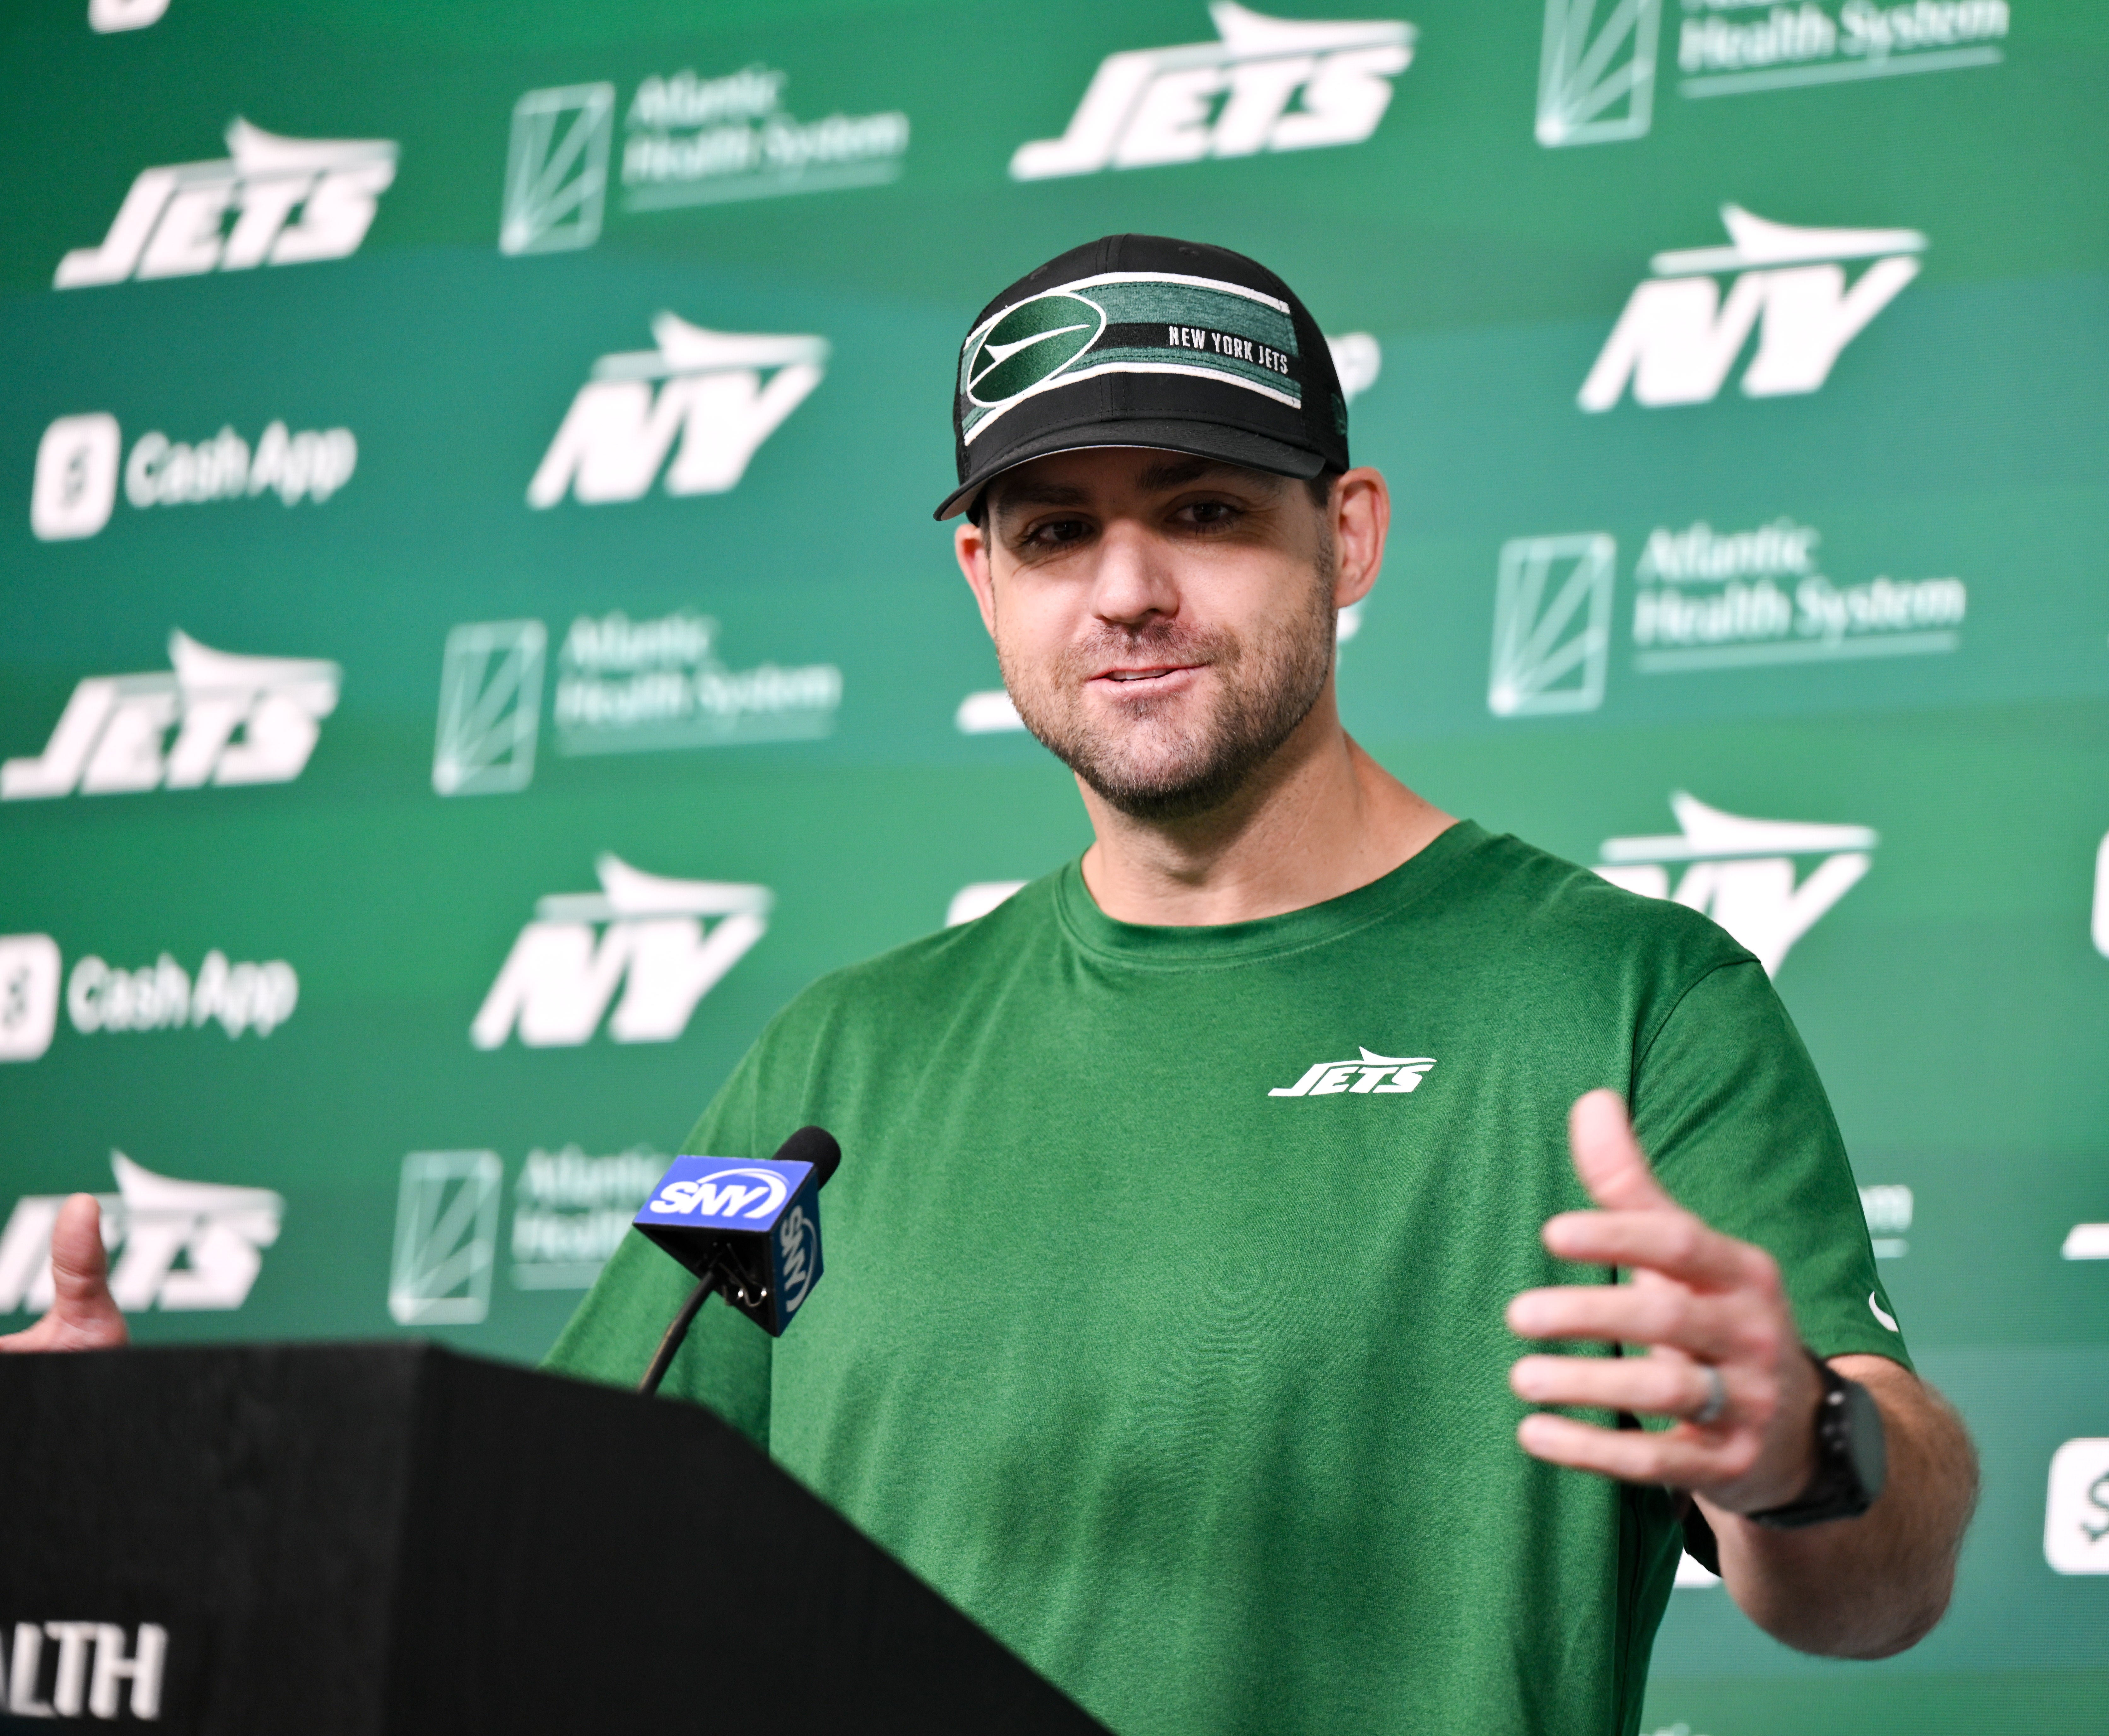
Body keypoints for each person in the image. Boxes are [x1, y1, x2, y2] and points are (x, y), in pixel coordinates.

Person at [5, 234, 1977, 1736]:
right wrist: (170, 1498)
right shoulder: (833, 1066)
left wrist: (1794, 1442)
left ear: (1346, 537)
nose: (1126, 590)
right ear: (982, 580)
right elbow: (563, 1525)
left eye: (1202, 512)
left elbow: (1881, 1578)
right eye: (1055, 533)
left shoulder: (1629, 1007)